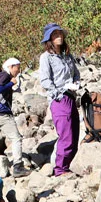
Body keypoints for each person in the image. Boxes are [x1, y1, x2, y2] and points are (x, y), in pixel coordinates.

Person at [37, 23, 81, 176]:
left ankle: (68, 166)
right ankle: (60, 169)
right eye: (55, 35)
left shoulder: (67, 55)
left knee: (75, 133)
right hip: (59, 100)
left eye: (60, 34)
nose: (59, 37)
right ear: (49, 39)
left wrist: (76, 84)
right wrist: (58, 93)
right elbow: (45, 80)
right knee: (66, 135)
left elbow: (76, 73)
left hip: (71, 96)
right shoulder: (46, 57)